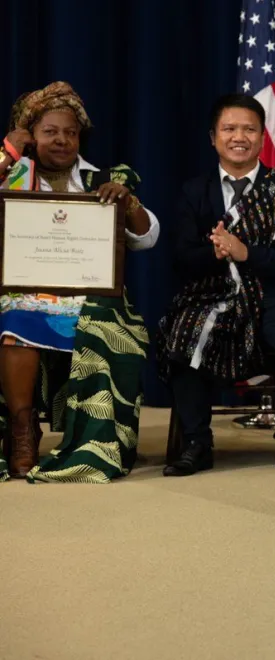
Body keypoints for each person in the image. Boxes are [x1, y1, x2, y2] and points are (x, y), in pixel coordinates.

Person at [0, 81, 159, 483]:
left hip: (87, 296)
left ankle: (94, 444)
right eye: (50, 131)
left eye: (70, 132)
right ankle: (22, 431)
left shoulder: (102, 179)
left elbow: (148, 236)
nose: (62, 140)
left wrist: (129, 203)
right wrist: (8, 154)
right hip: (23, 291)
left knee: (108, 326)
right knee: (16, 322)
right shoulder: (13, 175)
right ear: (31, 136)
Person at [158, 94, 275, 477]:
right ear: (213, 137)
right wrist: (216, 253)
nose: (239, 137)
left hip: (272, 292)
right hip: (211, 292)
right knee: (181, 333)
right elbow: (180, 259)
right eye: (229, 129)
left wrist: (246, 253)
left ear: (263, 137)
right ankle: (197, 443)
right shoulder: (194, 192)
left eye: (249, 129)